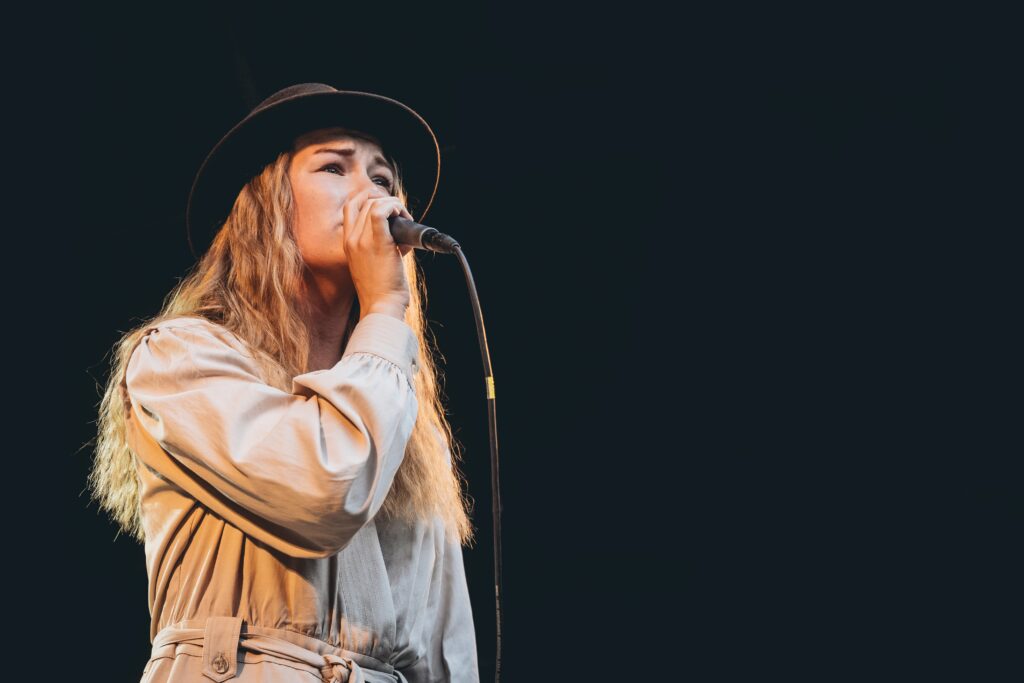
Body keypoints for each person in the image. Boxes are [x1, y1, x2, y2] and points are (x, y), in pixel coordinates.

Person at [87, 83, 480, 683]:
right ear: (266, 204)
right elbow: (325, 490)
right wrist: (383, 310)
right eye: (334, 167)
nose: (373, 195)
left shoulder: (402, 419)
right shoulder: (178, 359)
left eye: (382, 178)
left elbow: (447, 649)